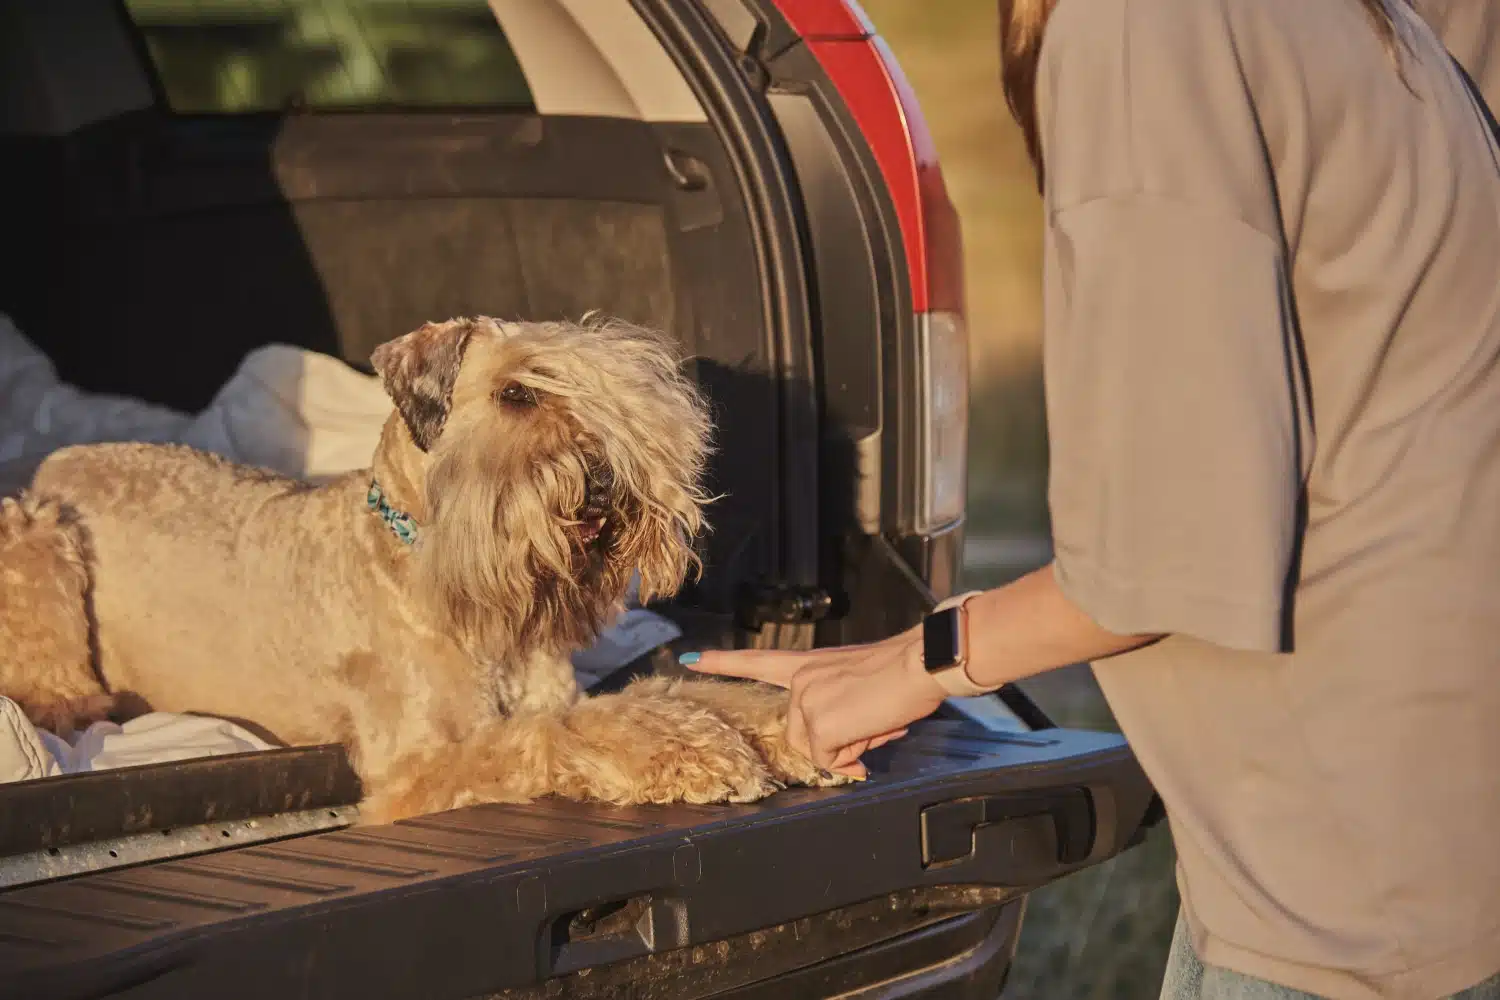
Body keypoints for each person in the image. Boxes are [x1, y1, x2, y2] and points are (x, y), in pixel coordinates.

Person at [682, 0, 1500, 997]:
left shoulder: (1141, 26)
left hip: (1342, 881)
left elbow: (1164, 551)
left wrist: (929, 661)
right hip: (1414, 833)